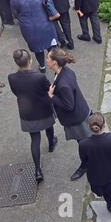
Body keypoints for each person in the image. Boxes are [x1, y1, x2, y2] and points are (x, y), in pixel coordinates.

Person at [8, 49, 57, 183]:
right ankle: (51, 143)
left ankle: (37, 170)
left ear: (17, 63)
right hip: (43, 110)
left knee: (34, 140)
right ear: (30, 60)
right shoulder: (39, 77)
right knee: (49, 128)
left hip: (27, 113)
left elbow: (15, 92)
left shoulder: (11, 77)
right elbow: (49, 89)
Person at [46, 48, 92, 181]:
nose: (47, 60)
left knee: (83, 144)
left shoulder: (63, 84)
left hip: (76, 119)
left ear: (54, 62)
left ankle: (85, 165)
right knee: (85, 141)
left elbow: (69, 105)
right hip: (82, 111)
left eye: (48, 58)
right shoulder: (66, 71)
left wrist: (52, 96)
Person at [79, 112, 111, 218]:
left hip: (98, 176)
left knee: (106, 192)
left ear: (89, 127)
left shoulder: (83, 144)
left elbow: (84, 160)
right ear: (104, 124)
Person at [11, 0, 58, 73]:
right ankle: (55, 66)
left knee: (38, 49)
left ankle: (42, 66)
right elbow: (50, 3)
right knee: (52, 48)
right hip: (45, 24)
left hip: (29, 29)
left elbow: (15, 14)